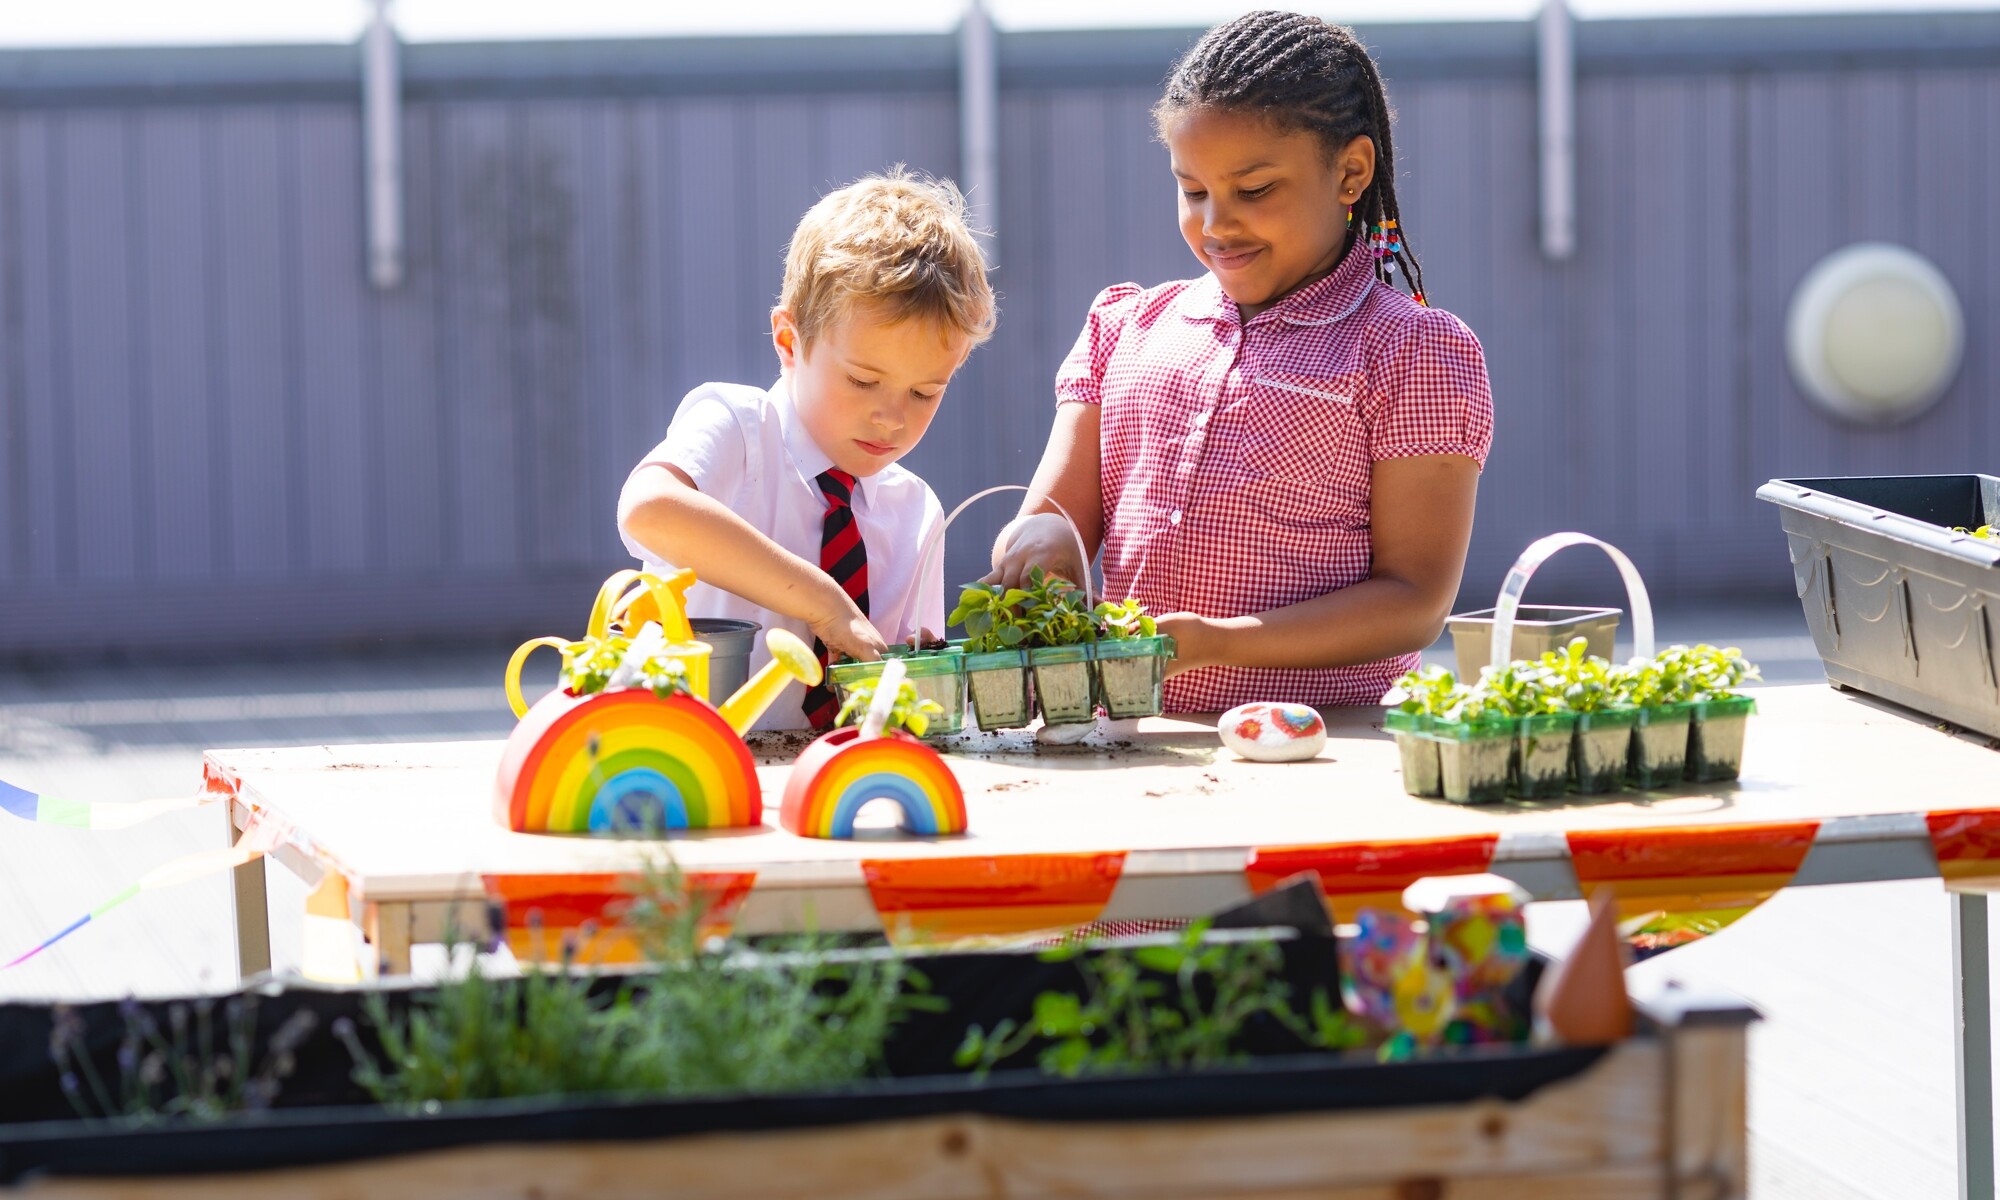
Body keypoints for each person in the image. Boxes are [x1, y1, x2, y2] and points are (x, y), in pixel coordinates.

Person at [992, 11, 1494, 712]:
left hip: (1329, 753)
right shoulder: (1126, 327)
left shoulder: (1411, 351)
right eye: (1193, 190)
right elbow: (1057, 525)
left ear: (1351, 171)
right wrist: (1043, 539)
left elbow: (1414, 602)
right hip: (1134, 741)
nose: (1216, 223)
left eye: (1253, 191)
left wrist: (1219, 641)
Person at [619, 169, 996, 729]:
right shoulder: (739, 429)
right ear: (789, 342)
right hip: (686, 765)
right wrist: (823, 601)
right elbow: (649, 509)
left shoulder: (917, 514)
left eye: (925, 391)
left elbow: (901, 703)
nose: (891, 416)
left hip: (829, 789)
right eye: (863, 381)